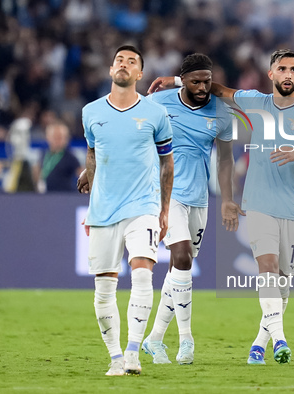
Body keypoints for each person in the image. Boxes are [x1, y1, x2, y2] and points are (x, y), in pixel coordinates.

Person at [148, 49, 294, 365]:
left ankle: (258, 345)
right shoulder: (254, 102)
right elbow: (216, 88)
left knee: (282, 281)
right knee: (265, 268)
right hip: (258, 204)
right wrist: (177, 80)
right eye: (282, 68)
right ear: (271, 74)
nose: (288, 74)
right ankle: (279, 340)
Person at [79, 53, 244, 365]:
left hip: (199, 197)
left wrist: (227, 199)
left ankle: (155, 339)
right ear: (184, 80)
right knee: (180, 256)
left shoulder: (223, 113)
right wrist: (92, 167)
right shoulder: (158, 102)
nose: (202, 87)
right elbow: (126, 129)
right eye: (195, 81)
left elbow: (225, 159)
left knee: (179, 271)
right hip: (163, 194)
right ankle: (186, 340)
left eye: (207, 81)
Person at [82, 45, 174, 377]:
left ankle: (134, 351)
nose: (124, 64)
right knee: (104, 288)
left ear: (139, 74)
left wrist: (163, 210)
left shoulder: (154, 114)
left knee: (142, 273)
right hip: (104, 210)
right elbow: (93, 158)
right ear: (111, 70)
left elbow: (167, 163)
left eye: (132, 62)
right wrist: (91, 207)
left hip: (143, 207)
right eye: (119, 60)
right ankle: (116, 357)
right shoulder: (91, 112)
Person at [33, 120, 82, 193]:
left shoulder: (70, 157)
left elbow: (82, 175)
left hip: (63, 196)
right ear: (48, 137)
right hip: (45, 196)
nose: (58, 140)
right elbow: (38, 171)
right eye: (55, 137)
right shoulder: (44, 154)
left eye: (61, 137)